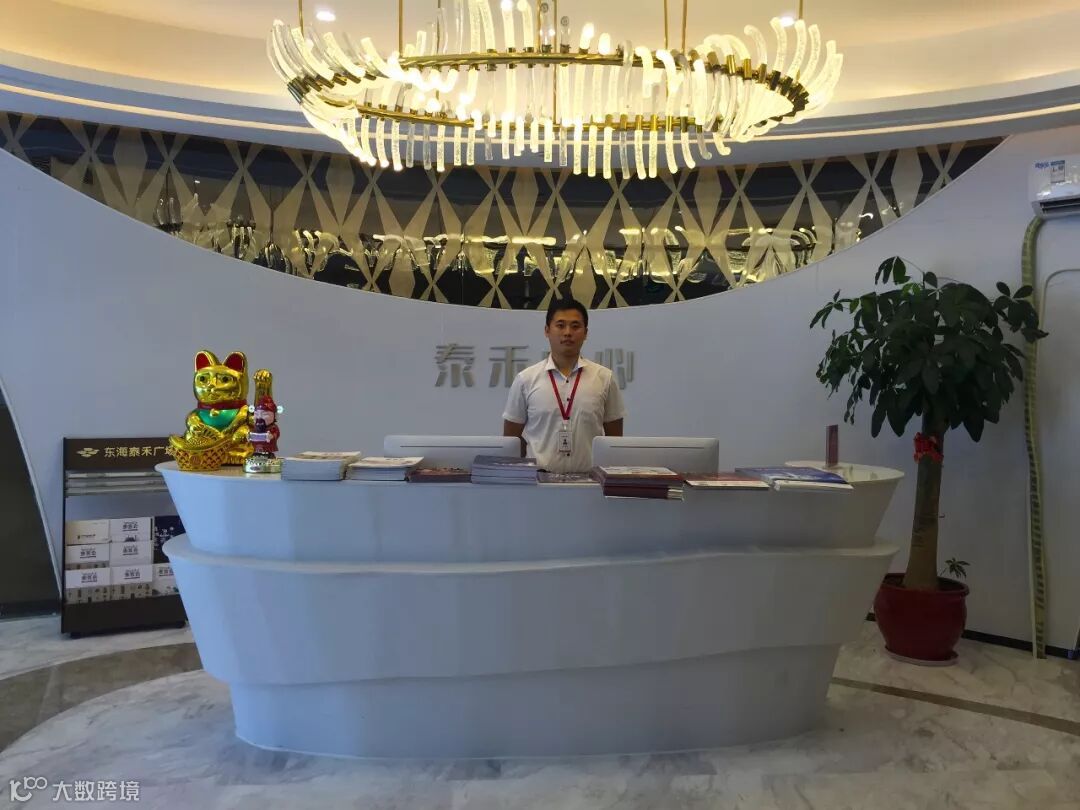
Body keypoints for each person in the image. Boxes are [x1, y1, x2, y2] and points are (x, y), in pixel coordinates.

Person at [502, 297, 625, 472]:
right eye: (560, 325)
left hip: (590, 482)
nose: (568, 332)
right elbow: (511, 440)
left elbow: (614, 441)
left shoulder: (604, 378)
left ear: (585, 333)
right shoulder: (526, 379)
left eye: (575, 326)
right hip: (539, 481)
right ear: (547, 330)